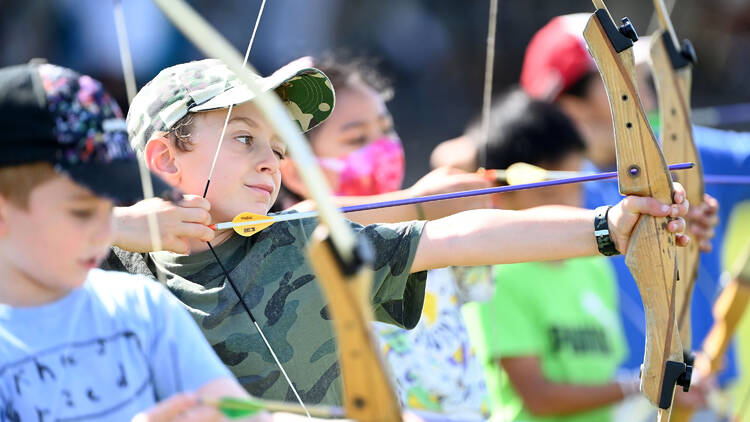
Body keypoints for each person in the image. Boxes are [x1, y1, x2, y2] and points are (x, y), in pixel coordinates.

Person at [103, 58, 690, 407]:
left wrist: (610, 226)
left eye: (279, 148)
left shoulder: (302, 243)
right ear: (165, 158)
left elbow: (462, 236)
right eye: (244, 138)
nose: (269, 162)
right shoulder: (108, 265)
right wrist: (113, 225)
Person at [0, 62, 307, 422]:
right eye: (82, 212)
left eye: (110, 206)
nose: (104, 230)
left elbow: (244, 417)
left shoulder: (140, 306)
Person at [515, 13, 750, 399]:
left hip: (705, 390)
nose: (649, 94)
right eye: (624, 81)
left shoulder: (684, 149)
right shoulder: (544, 191)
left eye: (643, 78)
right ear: (567, 103)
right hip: (609, 398)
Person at [272, 56, 492, 419]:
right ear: (295, 172)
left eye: (386, 130)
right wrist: (420, 203)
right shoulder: (292, 242)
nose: (382, 147)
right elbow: (303, 219)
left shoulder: (428, 224)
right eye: (356, 138)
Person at [462, 89, 635, 422]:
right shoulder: (499, 278)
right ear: (500, 194)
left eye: (574, 183)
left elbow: (602, 370)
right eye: (549, 187)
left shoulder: (594, 267)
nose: (567, 201)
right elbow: (539, 398)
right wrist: (639, 386)